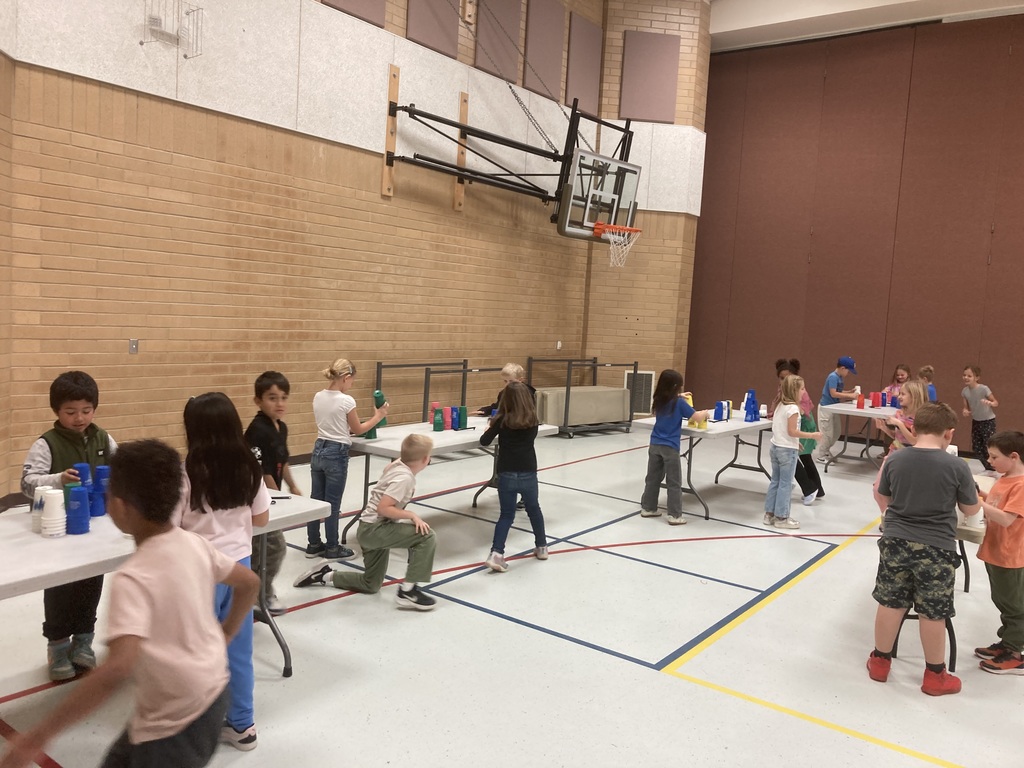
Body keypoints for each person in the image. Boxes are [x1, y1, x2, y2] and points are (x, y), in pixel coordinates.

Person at [0, 439, 260, 768]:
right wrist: (224, 636)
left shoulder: (133, 578)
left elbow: (117, 669)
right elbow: (250, 583)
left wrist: (39, 735)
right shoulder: (195, 544)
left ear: (120, 507)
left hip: (173, 724)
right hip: (213, 695)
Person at [173, 393, 271, 751]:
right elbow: (261, 518)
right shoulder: (250, 467)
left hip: (199, 571)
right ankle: (243, 725)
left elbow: (172, 528)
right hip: (240, 570)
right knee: (238, 650)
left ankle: (194, 725)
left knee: (194, 650)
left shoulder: (187, 472)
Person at [866, 403, 980, 696]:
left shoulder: (895, 460)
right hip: (937, 546)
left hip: (895, 540)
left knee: (890, 602)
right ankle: (934, 675)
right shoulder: (957, 466)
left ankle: (880, 662)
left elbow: (885, 496)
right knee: (933, 611)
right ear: (949, 433)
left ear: (913, 429)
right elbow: (970, 508)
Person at [20, 371, 117, 682]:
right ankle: (58, 646)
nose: (79, 418)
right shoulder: (46, 444)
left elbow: (122, 469)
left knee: (91, 584)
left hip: (95, 531)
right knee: (61, 588)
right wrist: (58, 479)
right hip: (59, 531)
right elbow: (26, 483)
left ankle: (83, 643)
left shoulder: (104, 438)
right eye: (70, 412)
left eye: (86, 411)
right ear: (56, 411)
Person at [292, 434, 437, 610]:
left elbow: (390, 467)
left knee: (371, 584)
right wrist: (412, 515)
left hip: (368, 528)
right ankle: (408, 591)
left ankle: (325, 576)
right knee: (427, 537)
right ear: (425, 459)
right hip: (375, 529)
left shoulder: (399, 464)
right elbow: (383, 508)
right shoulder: (404, 478)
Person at [307, 358, 389, 561]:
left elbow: (335, 425)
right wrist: (378, 416)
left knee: (316, 501)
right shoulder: (346, 400)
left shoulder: (318, 396)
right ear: (345, 378)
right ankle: (333, 548)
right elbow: (357, 428)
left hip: (318, 449)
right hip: (336, 454)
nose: (352, 384)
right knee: (332, 504)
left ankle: (314, 543)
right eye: (352, 380)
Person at [245, 371, 302, 617]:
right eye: (272, 398)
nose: (279, 404)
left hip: (273, 496)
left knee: (266, 548)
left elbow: (282, 461)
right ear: (258, 401)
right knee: (271, 547)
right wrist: (276, 496)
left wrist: (293, 486)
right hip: (257, 498)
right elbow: (263, 470)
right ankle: (258, 596)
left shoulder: (281, 427)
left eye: (283, 398)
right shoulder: (257, 430)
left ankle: (259, 591)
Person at [481, 381, 550, 572]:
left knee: (506, 515)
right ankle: (542, 546)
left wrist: (490, 427)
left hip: (507, 472)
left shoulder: (502, 421)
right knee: (534, 509)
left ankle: (496, 553)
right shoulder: (533, 420)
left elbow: (484, 441)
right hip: (528, 471)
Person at [973, 431, 1024, 674]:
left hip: (1009, 556)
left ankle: (1014, 652)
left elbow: (1005, 519)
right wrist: (981, 495)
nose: (990, 461)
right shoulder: (1004, 479)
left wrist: (977, 503)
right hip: (995, 551)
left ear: (1013, 456)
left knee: (1014, 605)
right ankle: (1007, 642)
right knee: (1002, 600)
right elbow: (996, 506)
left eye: (994, 457)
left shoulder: (1021, 484)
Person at [640, 369, 709, 525]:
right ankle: (675, 515)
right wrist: (705, 413)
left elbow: (670, 398)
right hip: (670, 447)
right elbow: (697, 418)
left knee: (653, 479)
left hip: (655, 444)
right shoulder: (679, 404)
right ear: (676, 387)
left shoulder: (659, 399)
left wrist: (679, 397)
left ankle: (648, 508)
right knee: (674, 482)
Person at [763, 375, 821, 530]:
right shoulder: (793, 409)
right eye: (802, 388)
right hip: (786, 451)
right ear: (795, 390)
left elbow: (780, 429)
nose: (804, 391)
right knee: (785, 484)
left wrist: (797, 445)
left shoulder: (780, 405)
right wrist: (812, 435)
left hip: (776, 447)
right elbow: (792, 431)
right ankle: (782, 517)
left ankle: (769, 514)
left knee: (775, 481)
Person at [769, 359, 824, 506]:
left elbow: (798, 412)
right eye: (781, 378)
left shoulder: (797, 395)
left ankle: (809, 489)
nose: (784, 381)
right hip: (797, 426)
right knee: (804, 458)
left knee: (791, 457)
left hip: (803, 425)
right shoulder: (783, 390)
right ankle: (818, 489)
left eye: (787, 378)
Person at [872, 380, 929, 517]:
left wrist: (900, 424)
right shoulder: (900, 413)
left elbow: (916, 441)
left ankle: (897, 520)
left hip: (911, 458)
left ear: (914, 396)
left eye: (903, 394)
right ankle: (887, 516)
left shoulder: (922, 418)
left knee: (902, 493)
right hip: (893, 454)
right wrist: (884, 428)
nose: (899, 396)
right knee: (878, 489)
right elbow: (897, 436)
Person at [812, 356, 858, 464]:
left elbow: (839, 391)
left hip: (834, 408)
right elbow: (833, 393)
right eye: (848, 371)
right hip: (826, 408)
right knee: (827, 433)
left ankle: (826, 451)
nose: (848, 373)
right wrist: (851, 396)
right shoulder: (833, 377)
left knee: (836, 432)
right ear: (842, 368)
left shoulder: (840, 378)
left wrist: (849, 392)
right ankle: (822, 455)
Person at [961, 365, 999, 473]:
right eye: (964, 375)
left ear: (976, 378)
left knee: (989, 445)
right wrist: (965, 410)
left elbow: (996, 402)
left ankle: (995, 467)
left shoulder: (984, 389)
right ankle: (989, 467)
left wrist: (990, 403)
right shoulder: (964, 391)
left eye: (969, 376)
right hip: (976, 421)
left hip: (988, 421)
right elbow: (966, 406)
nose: (966, 378)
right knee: (977, 446)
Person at [472, 362, 536, 416]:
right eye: (505, 381)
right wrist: (485, 411)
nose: (508, 384)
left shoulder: (527, 393)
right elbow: (498, 406)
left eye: (511, 381)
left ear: (520, 380)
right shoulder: (503, 393)